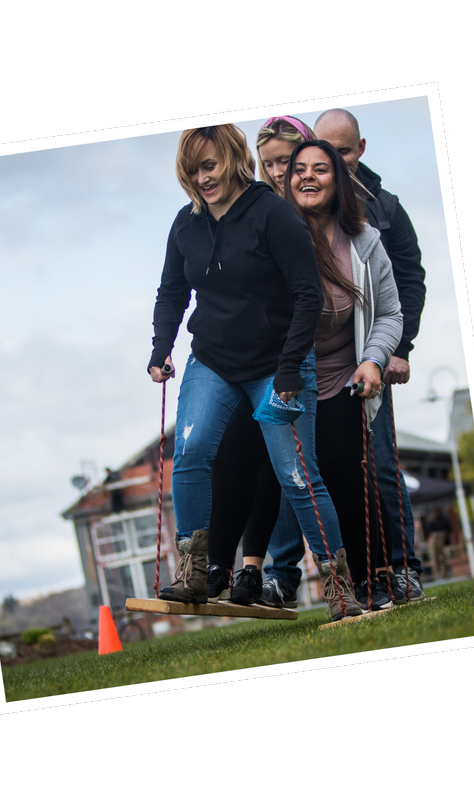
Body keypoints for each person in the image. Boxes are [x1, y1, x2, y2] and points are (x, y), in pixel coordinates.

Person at [146, 125, 364, 619]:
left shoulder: (272, 213)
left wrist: (290, 368)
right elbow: (172, 292)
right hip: (213, 360)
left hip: (278, 362)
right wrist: (161, 349)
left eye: (209, 166)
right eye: (192, 170)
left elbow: (307, 293)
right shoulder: (185, 224)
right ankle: (193, 572)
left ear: (231, 158)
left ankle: (338, 587)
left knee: (296, 475)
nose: (202, 178)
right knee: (190, 453)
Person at [270, 139, 407, 607]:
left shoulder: (364, 241)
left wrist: (374, 358)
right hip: (290, 378)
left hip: (345, 373)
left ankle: (376, 577)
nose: (307, 176)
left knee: (347, 471)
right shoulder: (272, 235)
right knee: (297, 479)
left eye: (320, 169)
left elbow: (389, 313)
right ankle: (282, 577)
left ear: (338, 180)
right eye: (299, 169)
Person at [323, 109, 434, 602]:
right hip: (323, 364)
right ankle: (359, 578)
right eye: (326, 151)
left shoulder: (385, 208)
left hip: (373, 357)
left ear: (361, 149)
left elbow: (409, 281)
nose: (335, 161)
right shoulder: (301, 206)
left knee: (383, 465)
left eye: (344, 151)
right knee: (336, 471)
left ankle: (405, 568)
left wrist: (398, 349)